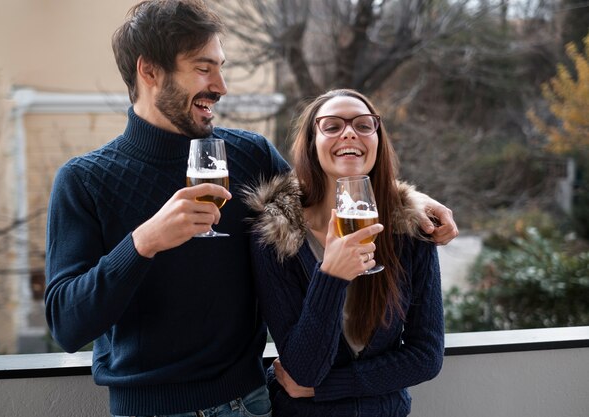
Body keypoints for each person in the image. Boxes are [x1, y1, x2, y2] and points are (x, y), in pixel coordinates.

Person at [44, 1, 456, 416]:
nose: (220, 85)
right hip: (150, 408)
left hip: (250, 404)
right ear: (149, 71)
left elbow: (320, 192)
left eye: (220, 67)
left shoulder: (248, 155)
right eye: (204, 68)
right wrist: (145, 241)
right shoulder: (84, 180)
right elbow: (67, 325)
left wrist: (408, 200)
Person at [244, 89, 445, 417]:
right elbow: (303, 370)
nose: (350, 132)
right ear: (312, 144)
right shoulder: (274, 236)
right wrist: (331, 276)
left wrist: (329, 388)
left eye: (364, 125)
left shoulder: (410, 231)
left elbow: (426, 357)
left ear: (377, 142)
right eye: (332, 126)